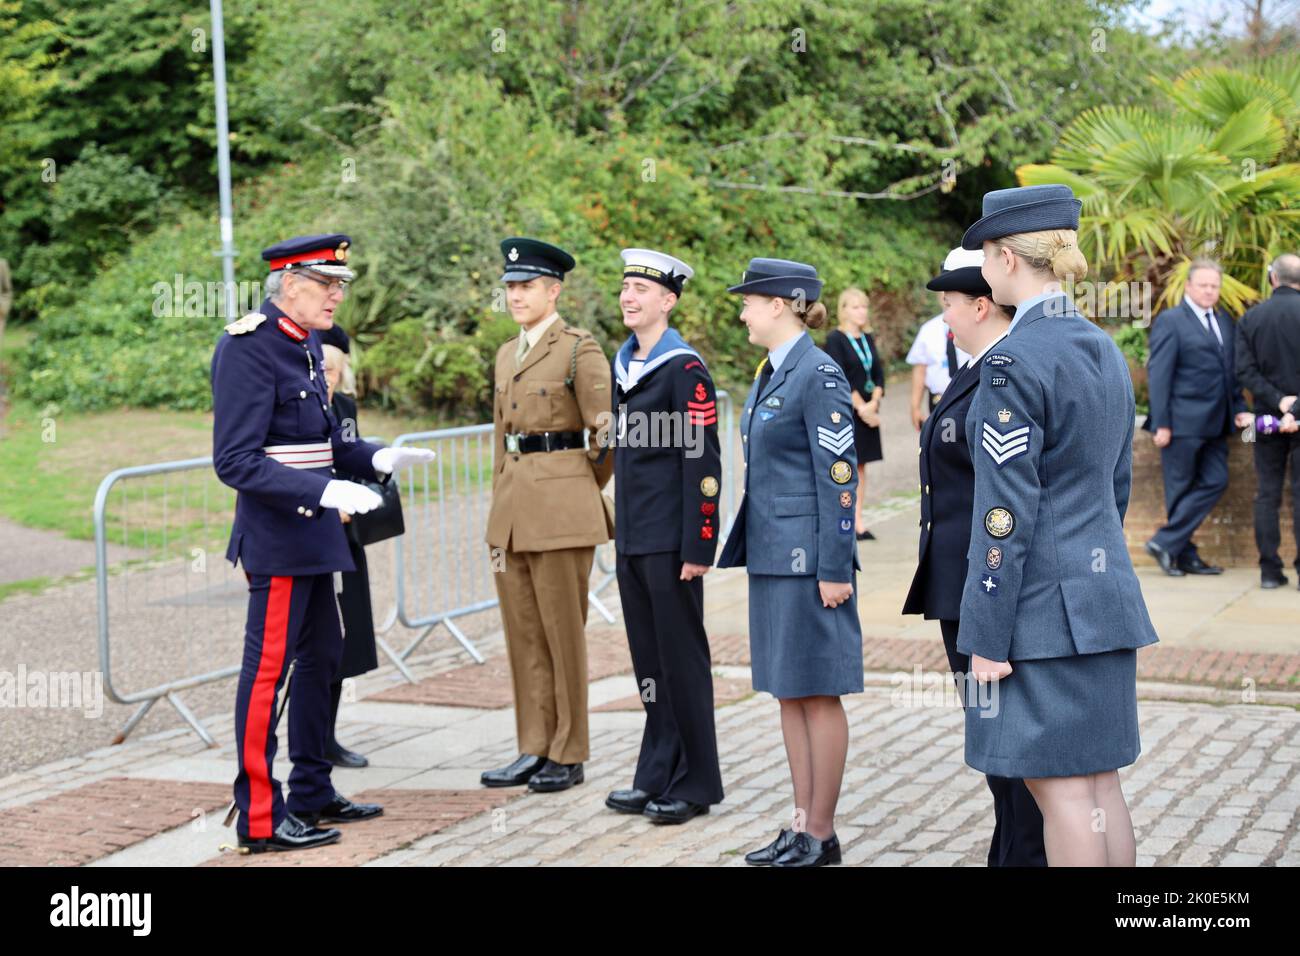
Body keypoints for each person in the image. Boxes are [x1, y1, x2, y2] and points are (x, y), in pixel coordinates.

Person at [211, 233, 434, 852]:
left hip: (313, 535)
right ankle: (259, 816)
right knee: (266, 674)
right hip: (281, 537)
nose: (338, 294)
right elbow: (235, 461)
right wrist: (325, 493)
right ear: (289, 286)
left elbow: (330, 440)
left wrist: (377, 455)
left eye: (340, 283)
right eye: (326, 283)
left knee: (325, 657)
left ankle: (310, 790)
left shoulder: (307, 342)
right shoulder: (248, 347)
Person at [957, 185, 1159, 866]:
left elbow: (1003, 514)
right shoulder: (1101, 346)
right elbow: (1115, 486)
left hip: (1042, 614)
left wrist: (985, 633)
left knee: (1063, 791)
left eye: (984, 255)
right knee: (1101, 787)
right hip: (1102, 601)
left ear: (1006, 258)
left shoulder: (1013, 361)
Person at [901, 245, 1046, 867]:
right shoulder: (973, 370)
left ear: (982, 305)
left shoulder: (1000, 373)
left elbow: (1006, 502)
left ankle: (1022, 855)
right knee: (991, 739)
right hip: (959, 582)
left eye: (949, 307)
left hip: (986, 584)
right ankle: (1010, 848)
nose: (943, 322)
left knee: (1009, 742)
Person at [717, 257, 863, 868]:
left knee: (819, 693)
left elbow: (840, 477)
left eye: (750, 301)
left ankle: (822, 835)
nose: (743, 311)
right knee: (788, 692)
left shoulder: (819, 373)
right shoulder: (771, 370)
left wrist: (835, 566)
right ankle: (801, 825)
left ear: (779, 304)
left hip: (810, 563)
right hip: (774, 556)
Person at [481, 237, 615, 794]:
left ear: (554, 290)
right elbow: (500, 440)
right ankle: (533, 745)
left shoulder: (579, 349)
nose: (516, 295)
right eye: (510, 287)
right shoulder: (505, 354)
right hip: (512, 512)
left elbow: (607, 433)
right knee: (524, 636)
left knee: (564, 635)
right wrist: (499, 502)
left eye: (527, 286)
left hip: (562, 510)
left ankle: (570, 749)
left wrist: (578, 485)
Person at [604, 248, 724, 825]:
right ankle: (656, 770)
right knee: (649, 663)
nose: (629, 297)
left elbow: (702, 462)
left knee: (682, 662)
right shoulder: (622, 364)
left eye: (641, 290)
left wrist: (699, 546)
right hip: (633, 538)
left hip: (673, 543)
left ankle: (696, 781)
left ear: (668, 301)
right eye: (625, 287)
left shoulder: (683, 369)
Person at [1143, 259, 1253, 576]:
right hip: (1181, 424)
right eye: (1203, 284)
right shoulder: (1171, 321)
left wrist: (1240, 407)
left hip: (1218, 423)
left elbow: (1229, 373)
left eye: (1214, 286)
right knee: (1179, 491)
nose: (1209, 290)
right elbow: (1160, 375)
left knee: (1216, 480)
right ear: (1189, 286)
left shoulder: (1225, 321)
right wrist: (1161, 422)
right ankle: (1184, 556)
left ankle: (1166, 543)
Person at [320, 327, 377, 767]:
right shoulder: (291, 406)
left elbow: (350, 457)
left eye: (336, 370)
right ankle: (310, 738)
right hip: (311, 530)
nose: (328, 378)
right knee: (312, 644)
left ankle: (328, 736)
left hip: (346, 533)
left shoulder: (344, 407)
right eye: (322, 368)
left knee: (346, 634)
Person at [1234, 252, 1300, 589]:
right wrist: (1296, 408)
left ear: (1273, 277)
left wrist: (1278, 402)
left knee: (1267, 494)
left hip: (1265, 422)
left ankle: (1270, 572)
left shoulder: (1251, 319)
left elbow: (1244, 370)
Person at [823, 288, 885, 540]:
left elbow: (878, 374)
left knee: (861, 467)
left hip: (870, 409)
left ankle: (859, 520)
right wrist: (861, 408)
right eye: (856, 307)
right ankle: (844, 520)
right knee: (845, 466)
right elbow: (841, 376)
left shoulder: (867, 339)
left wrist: (875, 402)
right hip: (848, 412)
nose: (862, 312)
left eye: (864, 307)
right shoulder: (835, 339)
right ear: (844, 310)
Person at [906, 304, 970, 429]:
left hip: (968, 398)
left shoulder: (972, 324)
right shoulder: (929, 329)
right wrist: (915, 406)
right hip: (939, 400)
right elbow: (920, 369)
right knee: (943, 442)